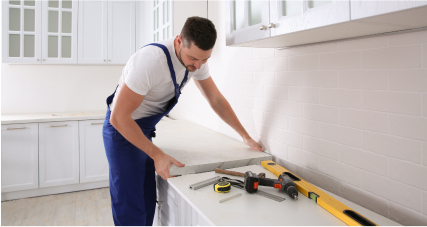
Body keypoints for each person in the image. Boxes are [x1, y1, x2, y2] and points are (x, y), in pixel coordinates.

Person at [102, 16, 264, 226]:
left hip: (145, 130)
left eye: (204, 59)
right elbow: (119, 117)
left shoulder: (196, 61)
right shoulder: (151, 60)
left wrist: (245, 136)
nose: (197, 65)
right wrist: (157, 154)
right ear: (179, 41)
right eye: (193, 58)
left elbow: (216, 100)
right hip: (122, 131)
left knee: (146, 200)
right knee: (130, 207)